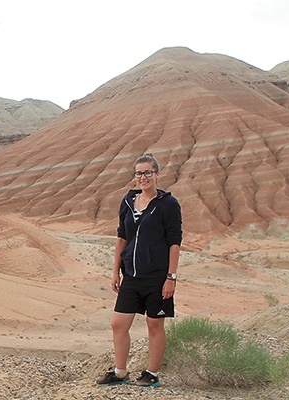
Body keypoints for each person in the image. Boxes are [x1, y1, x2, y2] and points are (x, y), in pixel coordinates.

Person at [96, 154, 182, 388]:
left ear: (157, 175)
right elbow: (122, 237)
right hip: (131, 276)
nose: (143, 177)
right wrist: (115, 271)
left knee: (154, 325)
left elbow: (174, 241)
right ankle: (120, 371)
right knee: (118, 323)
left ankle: (152, 374)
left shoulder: (168, 204)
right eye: (139, 173)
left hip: (157, 276)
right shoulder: (128, 201)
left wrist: (171, 277)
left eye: (147, 173)